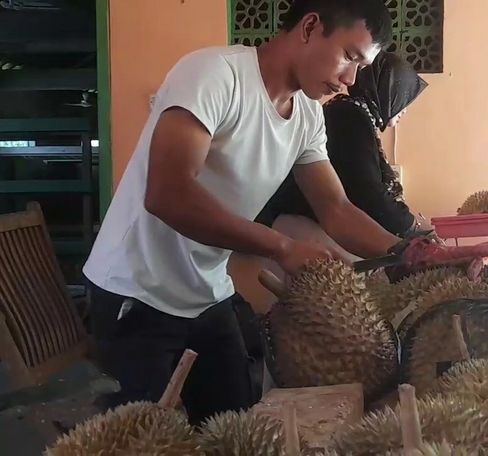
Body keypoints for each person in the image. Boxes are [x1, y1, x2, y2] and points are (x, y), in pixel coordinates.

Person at [81, 0, 414, 425]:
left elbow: (335, 208)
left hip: (207, 294)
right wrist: (282, 247)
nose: (350, 80)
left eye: (361, 68)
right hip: (137, 292)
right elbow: (167, 192)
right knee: (142, 439)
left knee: (235, 430)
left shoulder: (308, 115)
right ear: (310, 27)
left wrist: (413, 251)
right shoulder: (215, 74)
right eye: (350, 57)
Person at [258, 51, 429, 247]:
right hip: (299, 228)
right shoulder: (348, 117)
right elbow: (368, 193)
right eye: (404, 96)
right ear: (387, 89)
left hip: (316, 224)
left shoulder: (355, 114)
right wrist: (413, 229)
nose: (404, 109)